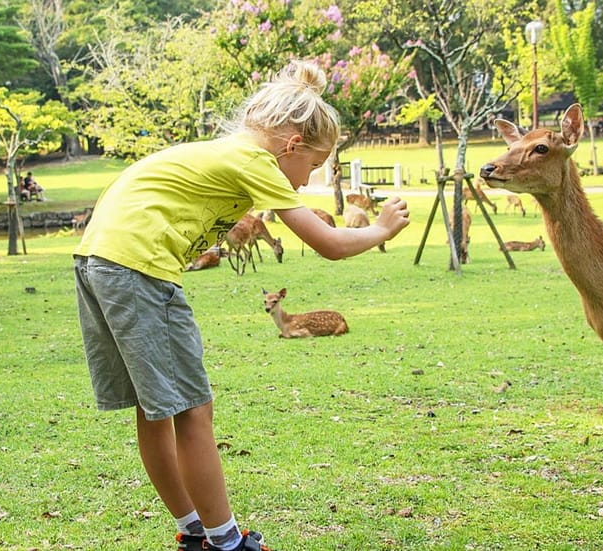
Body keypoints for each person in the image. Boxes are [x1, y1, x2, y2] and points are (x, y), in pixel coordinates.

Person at [72, 61, 410, 551]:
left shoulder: (224, 152)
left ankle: (195, 531)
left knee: (156, 409)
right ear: (291, 146)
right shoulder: (258, 161)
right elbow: (330, 245)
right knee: (193, 409)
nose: (304, 182)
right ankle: (226, 542)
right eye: (311, 167)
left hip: (97, 260)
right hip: (139, 269)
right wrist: (380, 229)